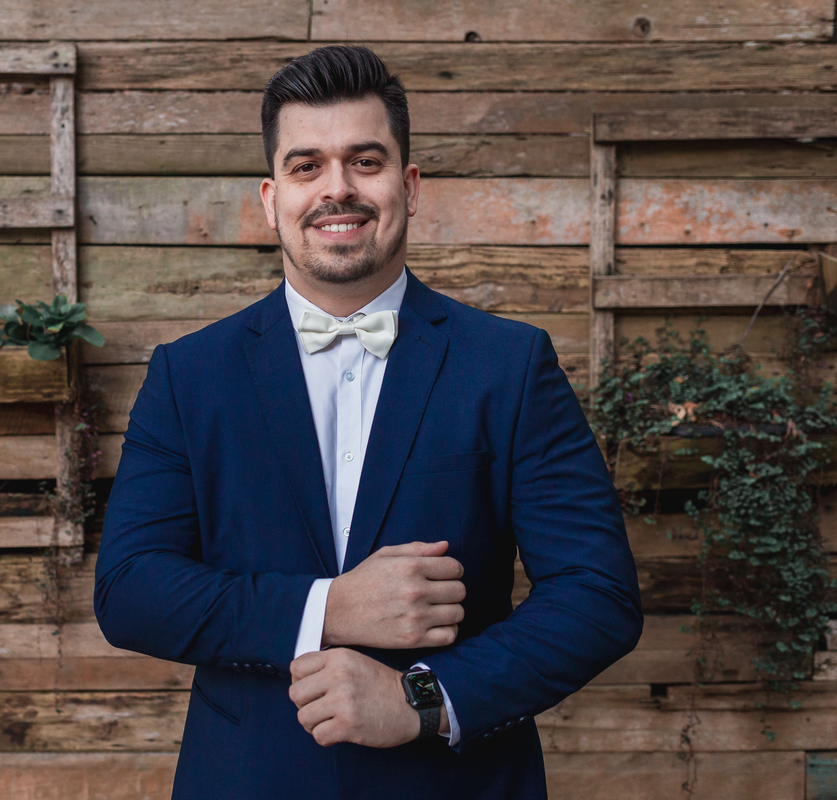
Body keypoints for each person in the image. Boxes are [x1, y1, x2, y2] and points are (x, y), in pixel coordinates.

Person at [94, 44, 642, 799]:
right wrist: (329, 606)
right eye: (306, 166)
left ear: (409, 187)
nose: (337, 189)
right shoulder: (189, 375)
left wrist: (423, 699)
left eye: (366, 161)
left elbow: (597, 596)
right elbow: (130, 590)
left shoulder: (509, 364)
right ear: (270, 197)